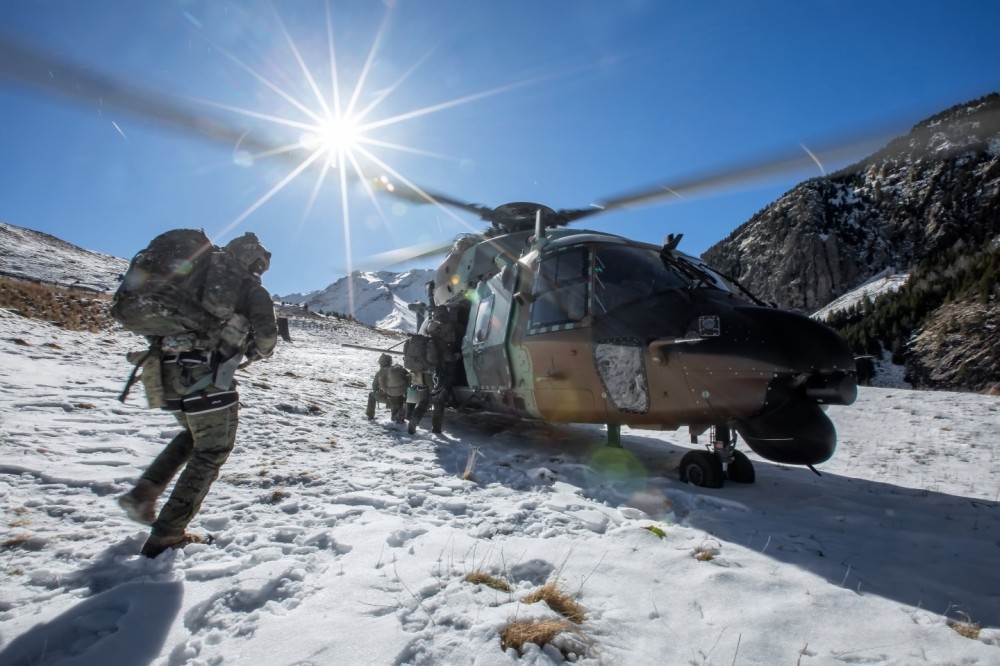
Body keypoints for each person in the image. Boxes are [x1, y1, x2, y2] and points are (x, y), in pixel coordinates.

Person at [117, 232, 278, 558]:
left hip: (162, 372)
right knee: (213, 449)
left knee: (194, 436)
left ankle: (144, 493)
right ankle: (168, 533)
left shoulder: (198, 275)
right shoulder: (247, 286)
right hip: (205, 376)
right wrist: (256, 351)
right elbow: (267, 338)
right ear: (255, 262)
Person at [407, 305, 459, 435]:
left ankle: (414, 421)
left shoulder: (421, 339)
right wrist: (457, 356)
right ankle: (436, 429)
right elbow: (448, 357)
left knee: (424, 401)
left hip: (420, 376)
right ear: (437, 330)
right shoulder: (438, 341)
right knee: (438, 402)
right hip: (432, 375)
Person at [366, 353, 410, 424]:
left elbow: (374, 386)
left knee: (371, 395)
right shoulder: (399, 370)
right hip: (400, 397)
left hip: (386, 396)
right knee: (397, 420)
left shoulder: (381, 372)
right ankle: (398, 420)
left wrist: (381, 391)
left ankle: (370, 415)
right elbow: (409, 380)